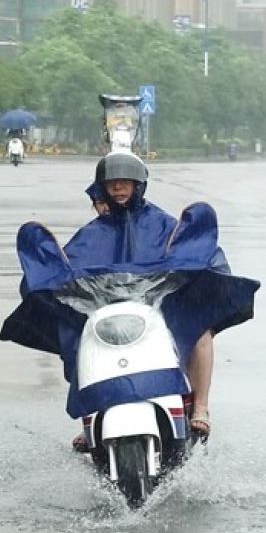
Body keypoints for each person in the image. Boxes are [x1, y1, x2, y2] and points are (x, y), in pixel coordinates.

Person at [67, 151, 219, 448]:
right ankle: (91, 414)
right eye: (112, 184)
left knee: (202, 330)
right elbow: (69, 265)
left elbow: (193, 251)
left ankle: (200, 405)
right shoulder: (91, 233)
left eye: (126, 183)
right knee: (75, 335)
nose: (119, 189)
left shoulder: (163, 224)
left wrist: (190, 276)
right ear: (103, 187)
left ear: (139, 186)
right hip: (108, 310)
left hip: (161, 308)